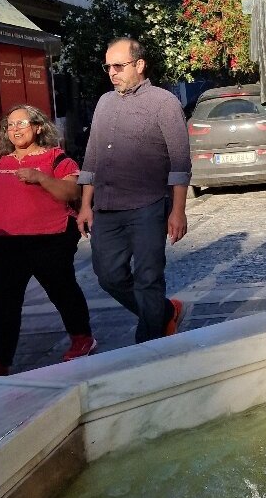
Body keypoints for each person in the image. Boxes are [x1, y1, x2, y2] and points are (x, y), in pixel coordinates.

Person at [0, 106, 96, 385]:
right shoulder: (0, 160)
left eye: (22, 123)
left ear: (37, 127)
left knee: (61, 290)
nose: (15, 129)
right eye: (10, 125)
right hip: (7, 240)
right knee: (4, 303)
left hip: (50, 237)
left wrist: (41, 178)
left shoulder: (55, 157)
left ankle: (82, 339)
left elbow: (72, 191)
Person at [77, 37, 191, 341]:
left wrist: (178, 211)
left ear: (139, 65)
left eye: (119, 65)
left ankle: (149, 348)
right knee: (108, 276)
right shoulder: (104, 103)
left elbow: (180, 163)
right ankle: (164, 313)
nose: (112, 72)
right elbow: (92, 156)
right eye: (108, 67)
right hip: (107, 207)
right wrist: (85, 205)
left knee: (148, 279)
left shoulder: (164, 103)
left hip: (148, 206)